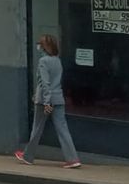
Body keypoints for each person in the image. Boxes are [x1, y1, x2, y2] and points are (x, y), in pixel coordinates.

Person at [15, 34, 81, 169]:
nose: (38, 46)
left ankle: (28, 156)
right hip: (58, 99)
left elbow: (45, 83)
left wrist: (46, 102)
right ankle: (73, 158)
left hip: (45, 101)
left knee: (37, 129)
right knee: (63, 129)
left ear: (44, 47)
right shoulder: (57, 60)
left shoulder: (43, 61)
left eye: (40, 43)